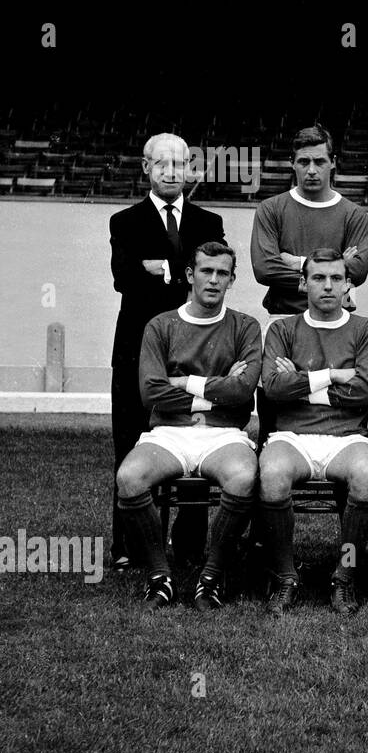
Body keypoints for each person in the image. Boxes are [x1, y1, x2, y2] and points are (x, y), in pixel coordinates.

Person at [116, 242, 260, 610]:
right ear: (189, 275)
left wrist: (183, 382)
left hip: (224, 433)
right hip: (168, 432)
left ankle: (210, 578)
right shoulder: (161, 325)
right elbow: (151, 393)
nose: (213, 280)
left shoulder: (245, 326)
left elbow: (244, 392)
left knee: (243, 478)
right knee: (129, 478)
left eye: (222, 273)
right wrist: (215, 390)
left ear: (231, 280)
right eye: (206, 271)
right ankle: (159, 577)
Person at [108, 133, 225, 569]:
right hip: (137, 350)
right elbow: (126, 279)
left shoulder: (208, 223)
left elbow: (211, 279)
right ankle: (129, 545)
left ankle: (189, 542)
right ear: (146, 168)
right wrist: (182, 273)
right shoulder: (125, 222)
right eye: (162, 164)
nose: (172, 171)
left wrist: (160, 269)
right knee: (131, 442)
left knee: (194, 440)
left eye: (180, 164)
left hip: (195, 348)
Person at [259, 248, 368, 616]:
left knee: (366, 474)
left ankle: (345, 574)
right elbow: (273, 389)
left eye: (336, 279)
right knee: (272, 474)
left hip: (347, 437)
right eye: (318, 278)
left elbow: (365, 393)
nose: (328, 286)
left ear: (348, 285)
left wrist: (299, 382)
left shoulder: (366, 329)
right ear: (303, 283)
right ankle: (285, 575)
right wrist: (332, 376)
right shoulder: (282, 329)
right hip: (292, 436)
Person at [251, 124, 368, 316]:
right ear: (292, 162)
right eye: (304, 162)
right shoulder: (271, 209)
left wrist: (300, 263)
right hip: (284, 318)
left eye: (320, 161)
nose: (312, 170)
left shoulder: (354, 214)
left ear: (333, 162)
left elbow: (358, 271)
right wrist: (338, 265)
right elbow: (265, 269)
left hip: (338, 318)